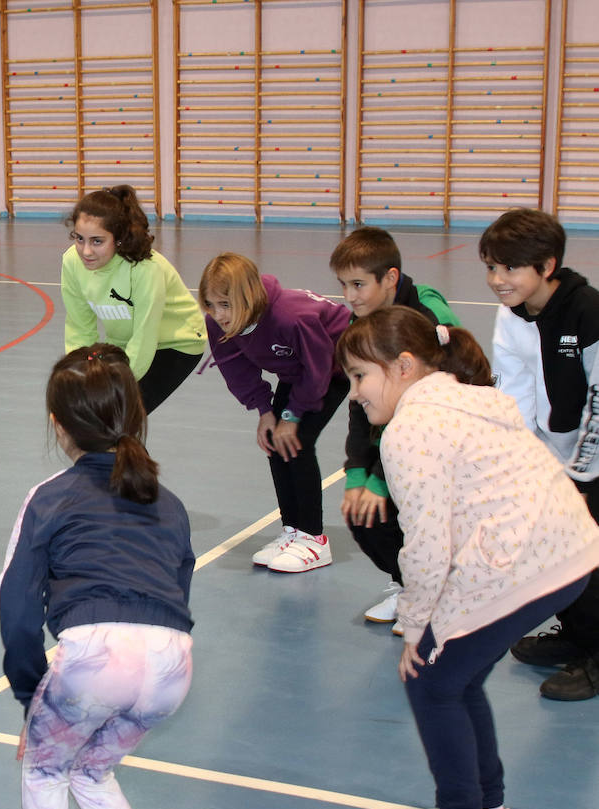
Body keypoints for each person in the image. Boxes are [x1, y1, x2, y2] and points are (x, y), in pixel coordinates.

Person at [336, 308, 599, 809]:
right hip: (569, 545)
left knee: (431, 682)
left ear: (403, 366)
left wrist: (416, 627)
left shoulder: (408, 429)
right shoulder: (469, 395)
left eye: (360, 376)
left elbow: (429, 547)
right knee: (461, 677)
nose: (354, 393)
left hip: (526, 561)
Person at [0, 343, 192, 809]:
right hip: (171, 665)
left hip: (94, 658)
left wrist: (32, 698)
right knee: (94, 772)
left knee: (45, 771)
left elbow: (18, 611)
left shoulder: (48, 497)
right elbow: (178, 591)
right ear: (136, 417)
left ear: (58, 426)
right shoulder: (167, 500)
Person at [480, 208, 599, 701]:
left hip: (593, 455)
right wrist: (521, 466)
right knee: (549, 548)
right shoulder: (511, 315)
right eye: (490, 267)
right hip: (557, 452)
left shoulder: (587, 311)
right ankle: (575, 635)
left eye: (509, 269)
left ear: (547, 266)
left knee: (584, 555)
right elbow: (514, 394)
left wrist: (580, 477)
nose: (496, 280)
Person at [329, 227, 461, 633]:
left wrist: (383, 480)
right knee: (364, 515)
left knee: (416, 513)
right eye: (343, 285)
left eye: (358, 284)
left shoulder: (426, 318)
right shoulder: (363, 319)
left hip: (441, 437)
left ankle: (439, 596)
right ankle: (410, 586)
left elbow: (443, 410)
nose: (349, 296)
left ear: (389, 278)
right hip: (396, 436)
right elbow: (359, 403)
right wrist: (357, 472)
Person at [199, 253, 351, 572]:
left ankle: (314, 538)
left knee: (298, 442)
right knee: (275, 442)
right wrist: (265, 412)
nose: (218, 314)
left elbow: (319, 369)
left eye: (225, 304)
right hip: (297, 374)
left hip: (338, 366)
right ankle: (293, 530)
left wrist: (292, 417)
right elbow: (236, 369)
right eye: (211, 305)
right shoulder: (218, 322)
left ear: (247, 298)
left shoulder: (290, 317)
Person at [61, 186, 206, 411]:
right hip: (125, 342)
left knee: (120, 416)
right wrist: (81, 377)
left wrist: (110, 389)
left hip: (176, 342)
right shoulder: (72, 262)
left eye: (97, 241)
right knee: (98, 414)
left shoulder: (145, 269)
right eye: (79, 239)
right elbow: (79, 329)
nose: (86, 251)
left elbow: (144, 338)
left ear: (118, 238)